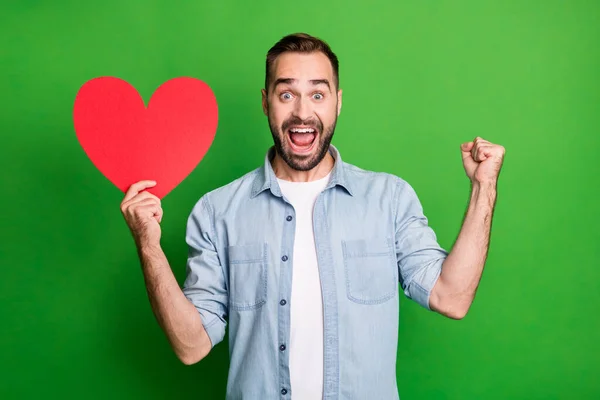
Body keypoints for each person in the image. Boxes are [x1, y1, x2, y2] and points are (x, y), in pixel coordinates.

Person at [120, 33, 506, 399]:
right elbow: (191, 346)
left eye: (317, 94)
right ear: (265, 102)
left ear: (337, 102)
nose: (302, 112)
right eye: (286, 93)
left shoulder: (389, 199)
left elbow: (451, 298)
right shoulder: (217, 211)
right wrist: (147, 244)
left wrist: (483, 187)